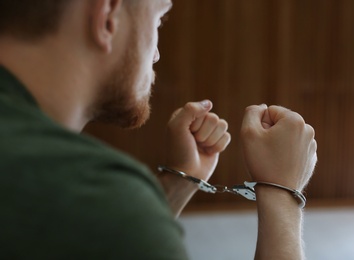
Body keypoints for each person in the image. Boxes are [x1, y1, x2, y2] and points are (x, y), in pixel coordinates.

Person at [0, 0, 317, 259]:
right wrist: (282, 194)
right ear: (108, 17)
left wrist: (181, 177)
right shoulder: (95, 196)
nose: (156, 54)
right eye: (159, 19)